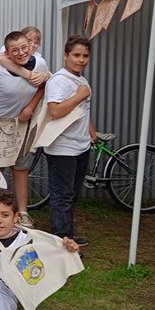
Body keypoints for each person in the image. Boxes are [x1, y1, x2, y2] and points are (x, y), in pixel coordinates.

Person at [0, 31, 49, 227]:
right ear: (7, 53)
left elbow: (43, 85)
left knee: (21, 167)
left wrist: (30, 108)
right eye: (15, 50)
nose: (21, 53)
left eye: (25, 48)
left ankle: (22, 213)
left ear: (30, 47)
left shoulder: (39, 65)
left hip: (21, 123)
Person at [44, 35, 96, 246]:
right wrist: (80, 95)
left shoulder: (81, 80)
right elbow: (55, 111)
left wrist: (91, 131)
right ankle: (62, 239)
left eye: (85, 55)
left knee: (72, 194)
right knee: (62, 195)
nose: (81, 60)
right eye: (76, 55)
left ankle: (67, 233)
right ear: (66, 55)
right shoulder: (59, 80)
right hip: (62, 147)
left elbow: (84, 110)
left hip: (81, 145)